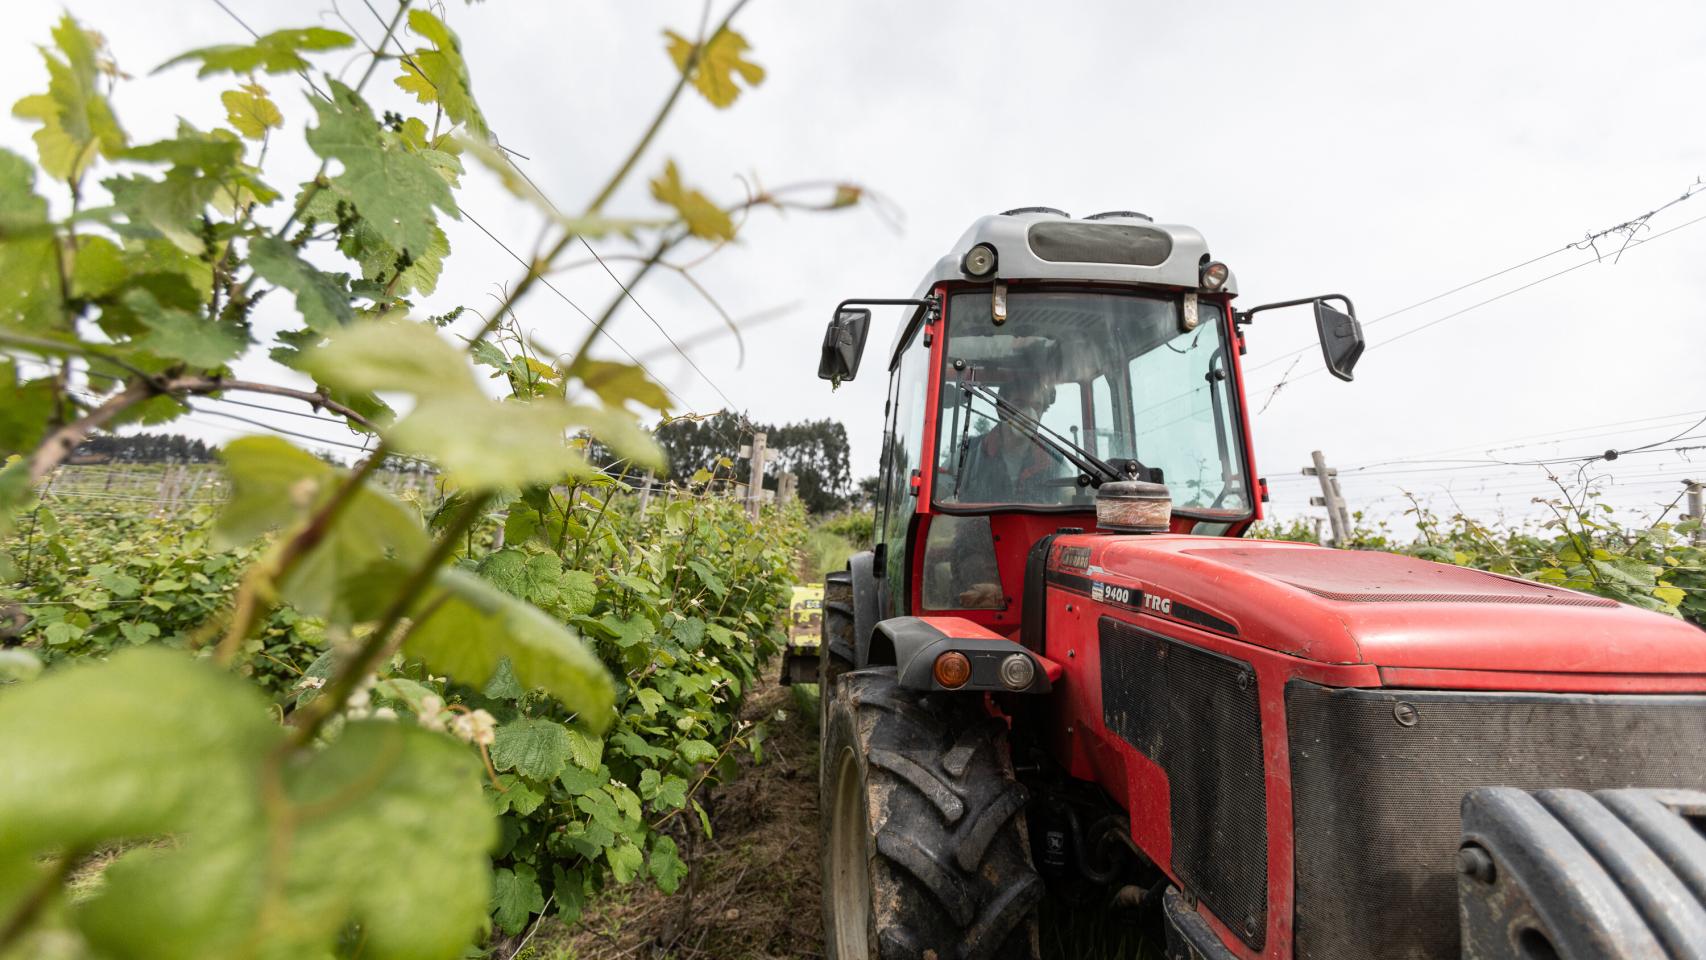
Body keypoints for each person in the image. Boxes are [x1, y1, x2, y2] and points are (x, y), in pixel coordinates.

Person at [954, 375, 1068, 505]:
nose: (1028, 414)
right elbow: (934, 494)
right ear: (1000, 408)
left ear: (1042, 411)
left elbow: (1083, 499)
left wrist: (1098, 520)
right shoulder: (970, 453)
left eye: (1036, 406)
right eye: (1019, 404)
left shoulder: (1053, 460)